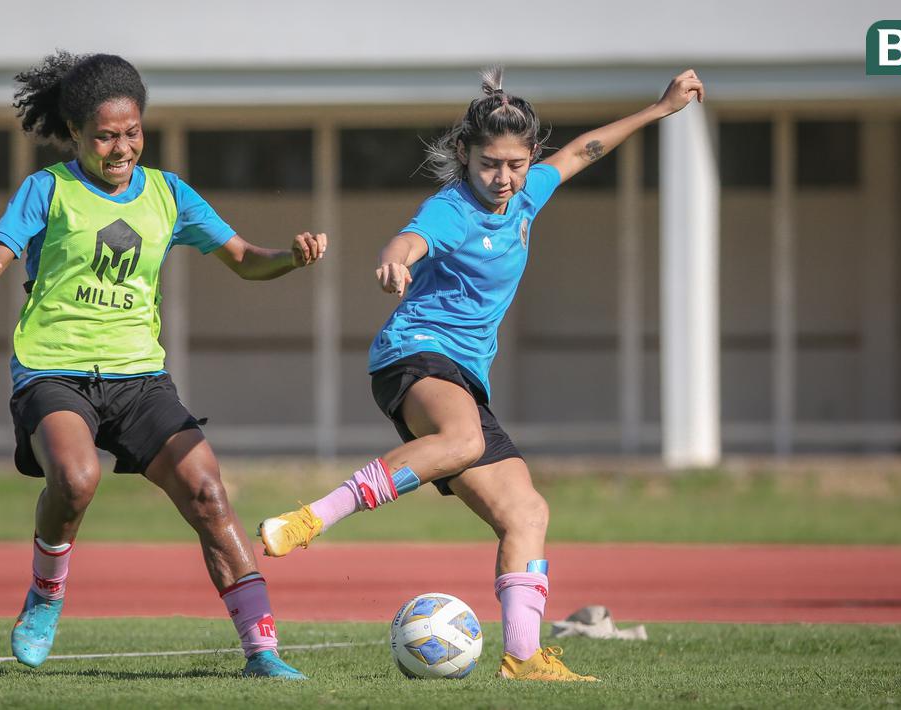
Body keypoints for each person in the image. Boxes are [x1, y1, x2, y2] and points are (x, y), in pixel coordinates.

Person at [260, 66, 705, 682]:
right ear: (465, 155)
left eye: (516, 165)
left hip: (464, 374)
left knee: (527, 513)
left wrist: (659, 109)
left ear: (530, 159)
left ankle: (523, 657)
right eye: (490, 164)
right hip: (413, 352)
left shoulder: (527, 194)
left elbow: (584, 149)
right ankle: (311, 519)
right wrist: (393, 264)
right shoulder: (452, 209)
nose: (503, 178)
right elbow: (406, 242)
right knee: (464, 439)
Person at [0, 51, 327, 680]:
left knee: (208, 492)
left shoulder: (168, 193)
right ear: (74, 133)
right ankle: (45, 595)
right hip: (54, 369)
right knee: (75, 480)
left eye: (132, 133)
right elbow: (1, 248)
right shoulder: (48, 189)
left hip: (139, 378)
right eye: (105, 136)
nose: (121, 148)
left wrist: (290, 256)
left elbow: (243, 258)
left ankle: (262, 651)